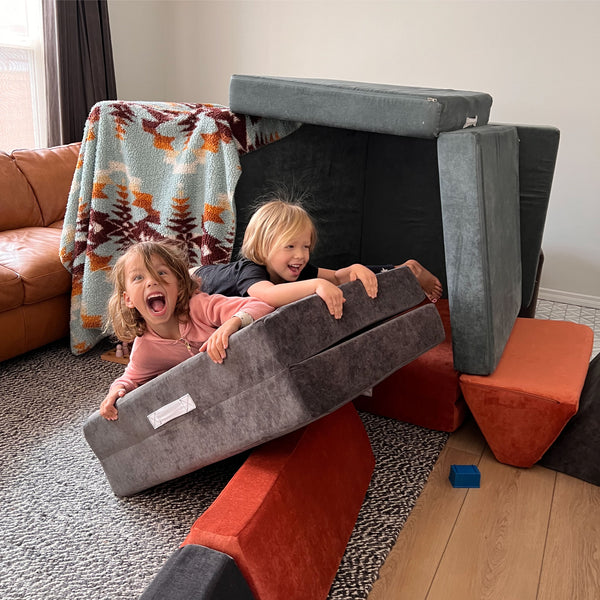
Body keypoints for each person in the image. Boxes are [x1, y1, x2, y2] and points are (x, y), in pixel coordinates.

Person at [99, 239, 274, 421]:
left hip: (255, 372)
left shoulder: (199, 306)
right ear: (128, 300)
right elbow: (131, 378)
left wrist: (231, 324)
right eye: (138, 278)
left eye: (161, 273)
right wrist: (115, 391)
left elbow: (262, 305)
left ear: (179, 286)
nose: (152, 281)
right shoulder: (145, 347)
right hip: (221, 398)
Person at [191, 199, 443, 319]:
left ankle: (402, 269)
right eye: (290, 246)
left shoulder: (295, 268)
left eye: (306, 246)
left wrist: (356, 269)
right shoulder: (249, 269)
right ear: (263, 246)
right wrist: (316, 285)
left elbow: (335, 277)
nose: (300, 255)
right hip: (192, 279)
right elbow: (266, 295)